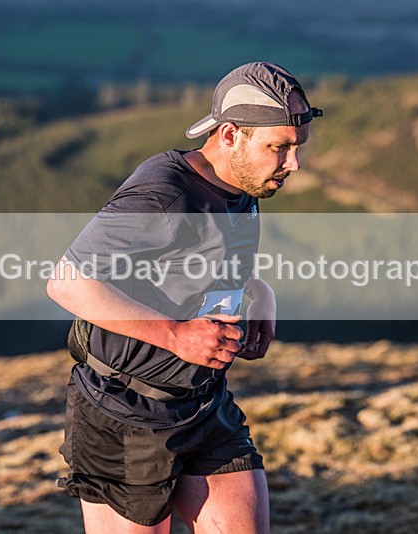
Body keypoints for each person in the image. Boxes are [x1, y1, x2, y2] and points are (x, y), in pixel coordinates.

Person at [47, 62, 322, 534]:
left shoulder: (242, 184)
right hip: (125, 413)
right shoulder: (164, 193)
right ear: (231, 134)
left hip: (204, 404)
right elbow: (66, 282)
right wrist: (174, 334)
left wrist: (259, 293)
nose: (293, 164)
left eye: (296, 148)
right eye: (280, 147)